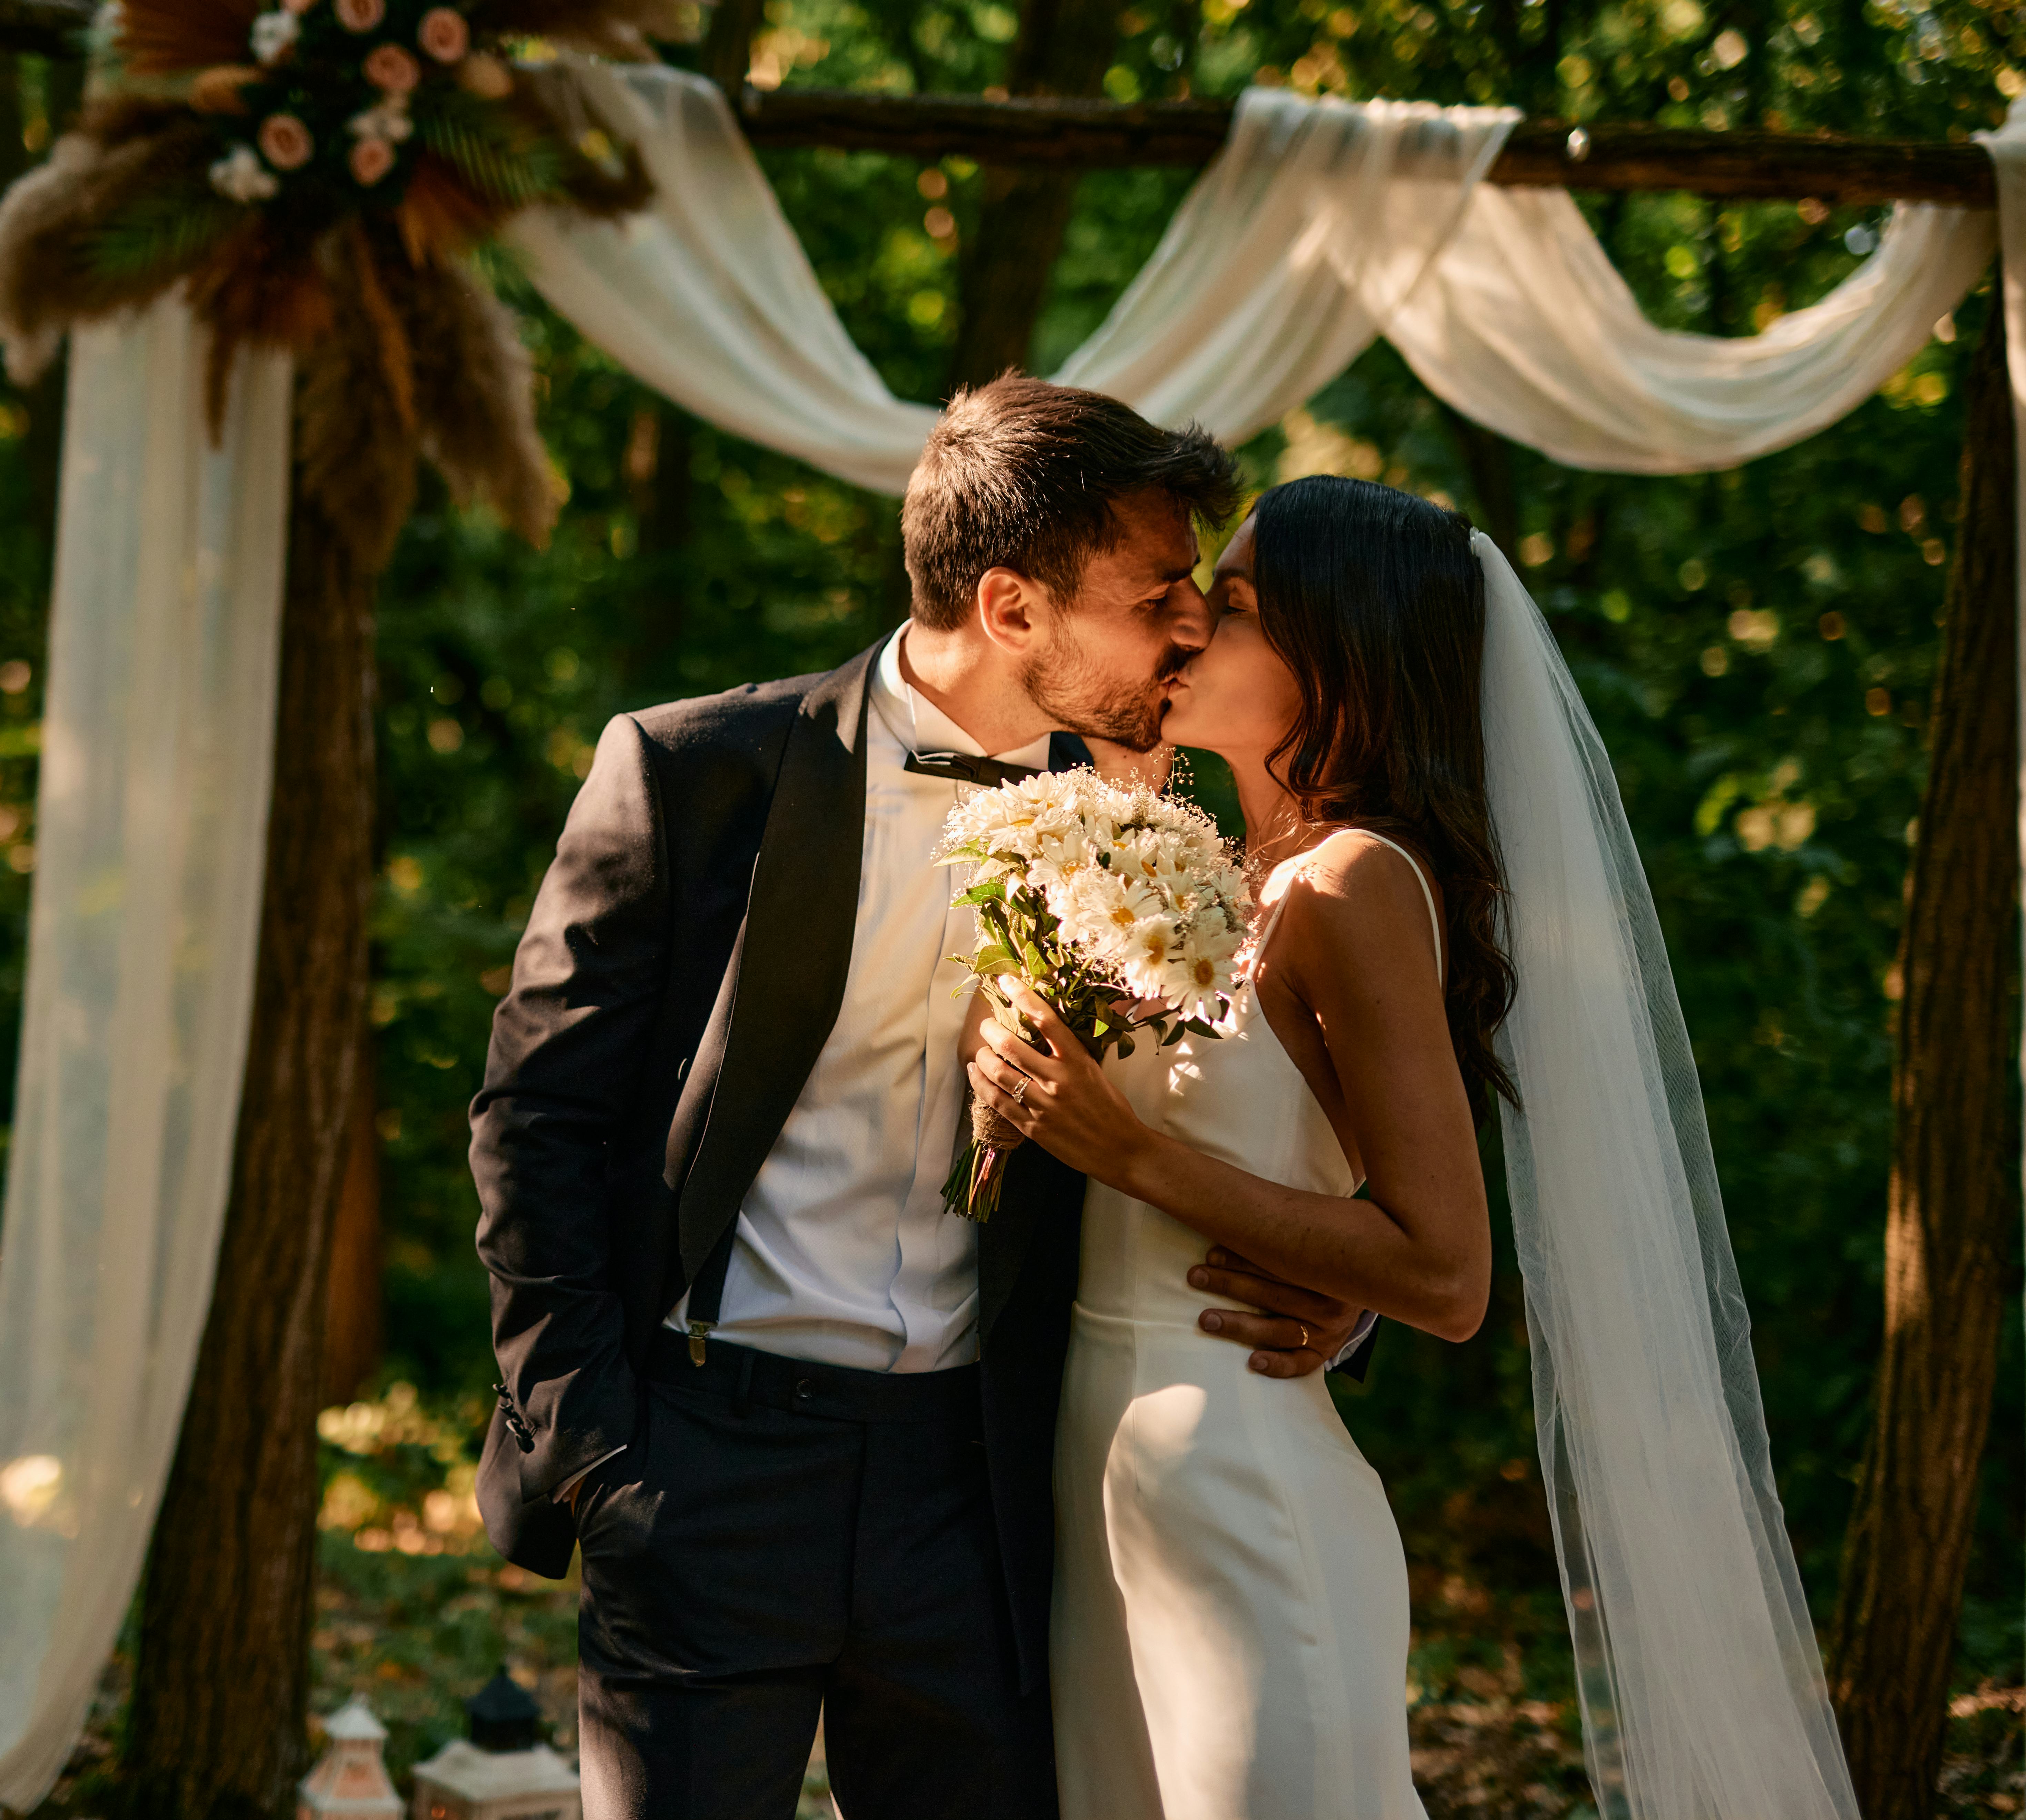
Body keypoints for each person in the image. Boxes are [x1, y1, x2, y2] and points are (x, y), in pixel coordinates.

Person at [469, 379, 1370, 1820]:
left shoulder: (1164, 827)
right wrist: (600, 1457)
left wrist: (1337, 1289)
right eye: (1157, 590)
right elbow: (534, 1125)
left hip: (987, 1487)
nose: (1191, 622)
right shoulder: (693, 771)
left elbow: (1243, 1114)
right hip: (704, 1459)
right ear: (1011, 609)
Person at [970, 475, 1861, 1820]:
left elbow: (1444, 1275)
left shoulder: (1353, 882)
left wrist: (1133, 1155)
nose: (1189, 630)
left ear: (1340, 658)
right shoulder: (1214, 875)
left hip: (1246, 1502)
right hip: (1116, 1504)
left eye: (1236, 608)